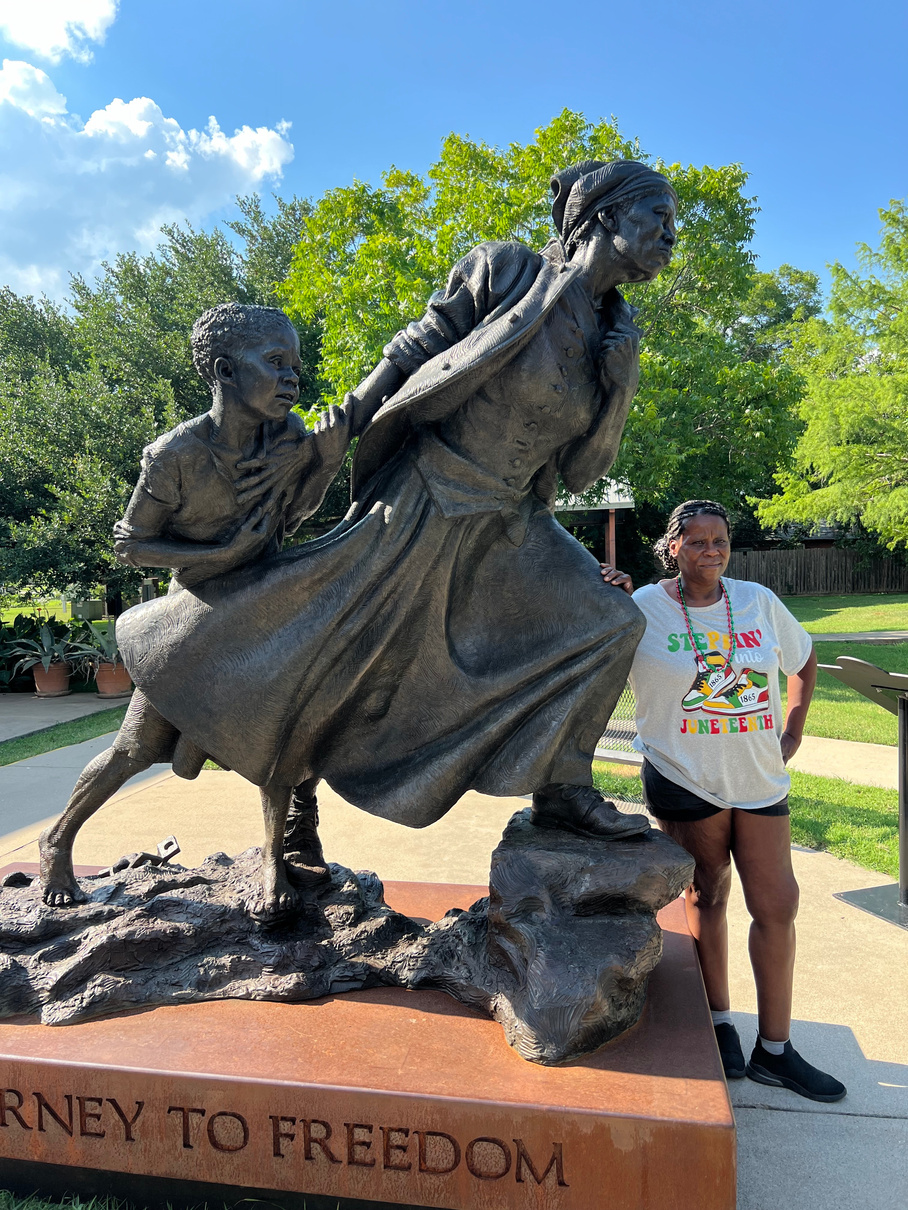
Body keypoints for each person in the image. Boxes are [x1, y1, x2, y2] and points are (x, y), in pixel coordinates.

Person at [115, 160, 679, 917]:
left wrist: (622, 384)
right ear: (604, 218)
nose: (671, 238)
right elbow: (420, 344)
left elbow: (582, 472)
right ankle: (292, 816)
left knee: (611, 624)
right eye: (658, 219)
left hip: (513, 520)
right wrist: (342, 426)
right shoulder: (509, 271)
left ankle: (566, 791)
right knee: (340, 660)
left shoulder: (618, 332)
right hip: (429, 496)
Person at [39, 302, 355, 910]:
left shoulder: (287, 436)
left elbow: (292, 515)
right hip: (194, 623)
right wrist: (220, 549)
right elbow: (131, 544)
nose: (294, 377)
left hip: (265, 611)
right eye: (275, 363)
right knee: (133, 751)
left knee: (281, 742)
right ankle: (57, 843)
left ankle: (275, 863)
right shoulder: (174, 455)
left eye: (295, 364)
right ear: (224, 372)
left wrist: (328, 462)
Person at [600, 500, 846, 1102]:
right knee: (707, 894)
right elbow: (590, 646)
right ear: (673, 547)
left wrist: (794, 728)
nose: (711, 551)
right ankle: (719, 1027)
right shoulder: (643, 608)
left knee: (777, 904)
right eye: (698, 541)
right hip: (686, 776)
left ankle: (776, 1050)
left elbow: (805, 658)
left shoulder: (757, 601)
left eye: (720, 541)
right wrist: (604, 595)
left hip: (759, 776)